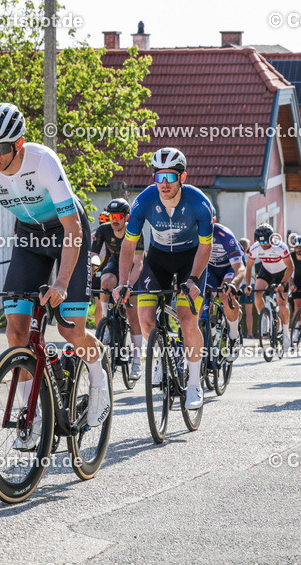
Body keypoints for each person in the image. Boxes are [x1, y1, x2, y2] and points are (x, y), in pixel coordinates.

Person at [0, 102, 111, 436]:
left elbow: (73, 227)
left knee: (70, 330)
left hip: (67, 233)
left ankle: (98, 373)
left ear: (18, 144)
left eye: (0, 147)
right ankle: (31, 416)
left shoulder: (43, 160)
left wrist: (61, 283)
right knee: (16, 333)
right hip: (30, 238)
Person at [113, 147, 214, 410]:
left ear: (183, 177)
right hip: (157, 259)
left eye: (170, 176)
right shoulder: (144, 201)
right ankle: (159, 358)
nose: (164, 183)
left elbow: (205, 247)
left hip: (189, 260)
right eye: (159, 177)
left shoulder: (199, 203)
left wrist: (193, 278)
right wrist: (123, 282)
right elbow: (128, 244)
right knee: (146, 319)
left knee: (187, 320)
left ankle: (194, 383)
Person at [92, 198, 145, 379]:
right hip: (115, 264)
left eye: (118, 217)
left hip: (133, 270)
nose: (114, 220)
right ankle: (107, 322)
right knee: (105, 282)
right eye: (111, 216)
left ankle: (137, 362)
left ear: (126, 217)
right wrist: (89, 272)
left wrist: (128, 284)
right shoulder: (104, 230)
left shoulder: (135, 230)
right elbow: (93, 256)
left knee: (133, 315)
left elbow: (138, 262)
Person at [243, 224, 292, 349]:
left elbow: (291, 267)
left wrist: (284, 283)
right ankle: (264, 317)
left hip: (282, 273)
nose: (263, 244)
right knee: (257, 293)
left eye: (266, 241)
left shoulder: (280, 247)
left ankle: (286, 332)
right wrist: (248, 285)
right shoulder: (255, 248)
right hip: (266, 271)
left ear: (272, 238)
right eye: (260, 241)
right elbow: (248, 267)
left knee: (281, 303)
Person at [205, 220, 246, 360]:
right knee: (202, 298)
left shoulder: (224, 235)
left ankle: (234, 337)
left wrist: (234, 284)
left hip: (231, 266)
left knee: (225, 295)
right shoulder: (193, 233)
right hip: (210, 268)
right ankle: (210, 335)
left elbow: (239, 268)